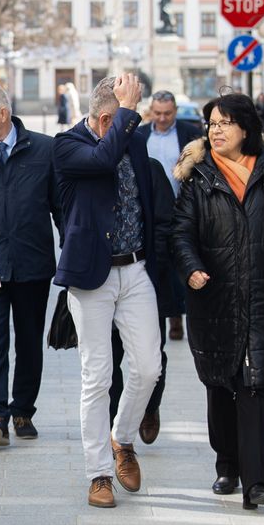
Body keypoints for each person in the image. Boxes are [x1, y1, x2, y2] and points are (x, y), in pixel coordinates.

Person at [172, 92, 264, 510]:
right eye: (212, 124)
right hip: (214, 298)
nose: (216, 130)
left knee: (257, 388)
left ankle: (256, 483)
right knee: (220, 386)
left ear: (246, 128)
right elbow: (179, 234)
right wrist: (191, 267)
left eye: (224, 123)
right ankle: (226, 465)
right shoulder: (198, 178)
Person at [53, 73, 165, 509]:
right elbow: (100, 162)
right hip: (91, 277)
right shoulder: (67, 145)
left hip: (135, 269)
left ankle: (123, 438)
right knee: (97, 376)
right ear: (103, 119)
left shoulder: (131, 139)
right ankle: (98, 472)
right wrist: (128, 115)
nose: (127, 128)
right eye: (119, 121)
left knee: (147, 368)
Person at [0, 84, 62, 446]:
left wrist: (70, 250)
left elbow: (60, 207)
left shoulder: (44, 149)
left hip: (32, 263)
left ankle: (23, 409)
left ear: (2, 114)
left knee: (28, 342)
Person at [107, 157, 175, 440]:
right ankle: (116, 426)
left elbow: (166, 221)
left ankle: (149, 406)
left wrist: (149, 267)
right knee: (107, 361)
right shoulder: (86, 164)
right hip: (101, 280)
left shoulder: (150, 168)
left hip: (144, 276)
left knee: (151, 355)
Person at [137, 90, 201, 345]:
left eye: (167, 113)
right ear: (151, 112)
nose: (162, 119)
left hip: (181, 209)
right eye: (157, 113)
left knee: (180, 262)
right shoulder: (140, 134)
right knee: (159, 263)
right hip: (151, 213)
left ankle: (177, 315)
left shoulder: (189, 134)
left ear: (174, 111)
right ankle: (163, 312)